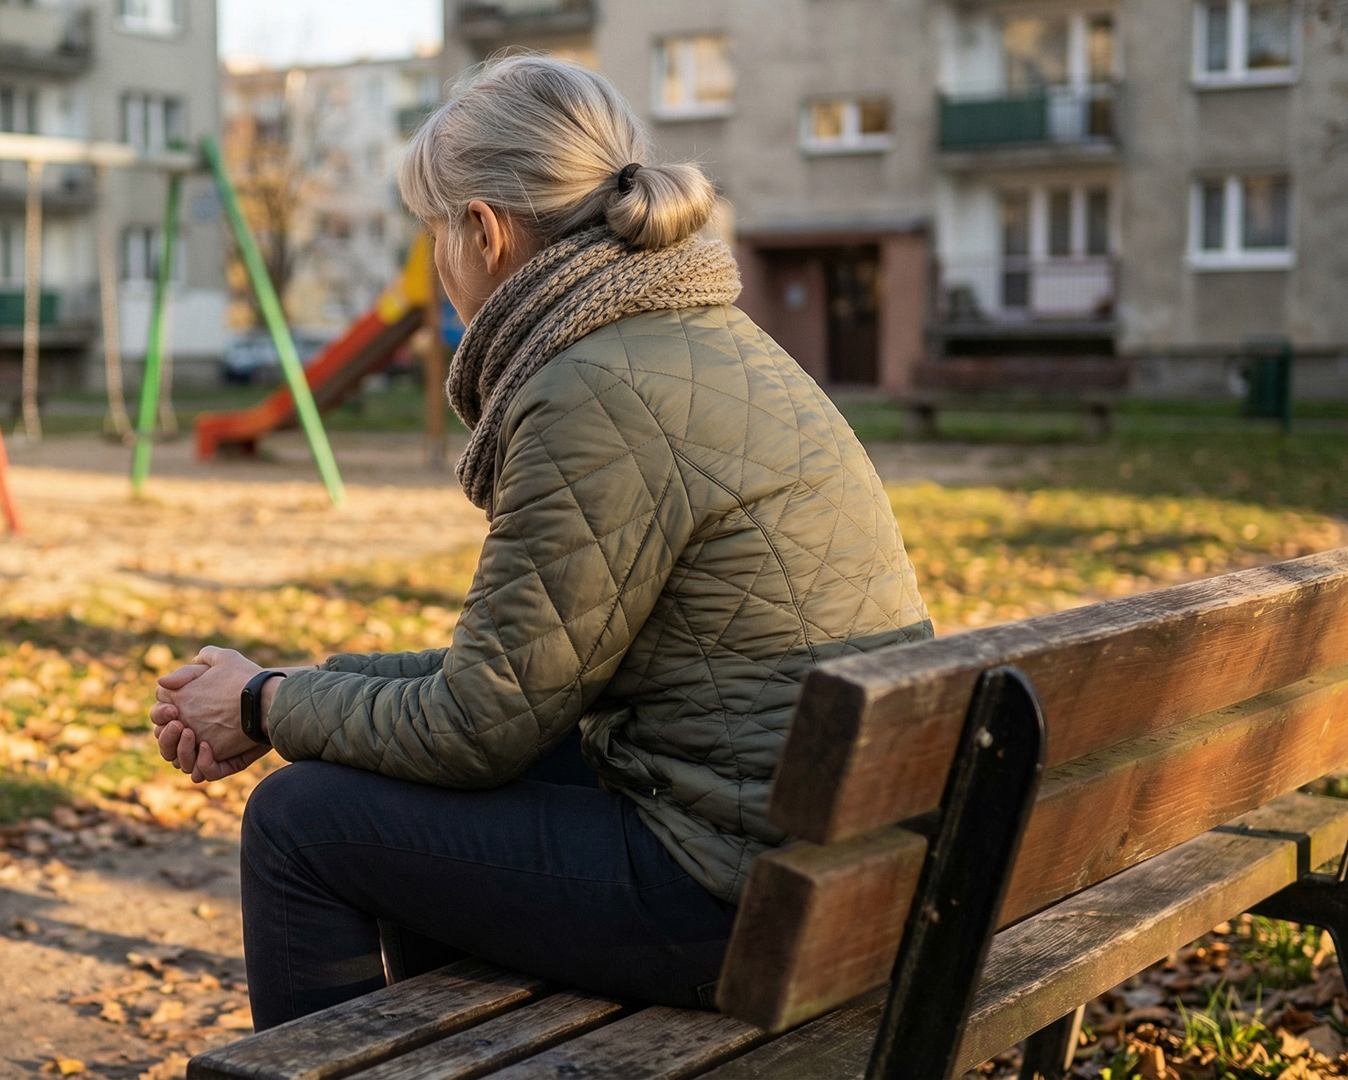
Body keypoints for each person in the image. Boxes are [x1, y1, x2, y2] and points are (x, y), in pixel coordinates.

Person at [150, 54, 932, 1030]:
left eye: (437, 228)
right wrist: (288, 688)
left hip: (737, 896)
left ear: (482, 231)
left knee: (299, 823)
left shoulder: (592, 390)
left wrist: (266, 706)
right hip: (824, 850)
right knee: (395, 780)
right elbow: (516, 689)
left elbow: (479, 725)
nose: (439, 255)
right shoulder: (709, 339)